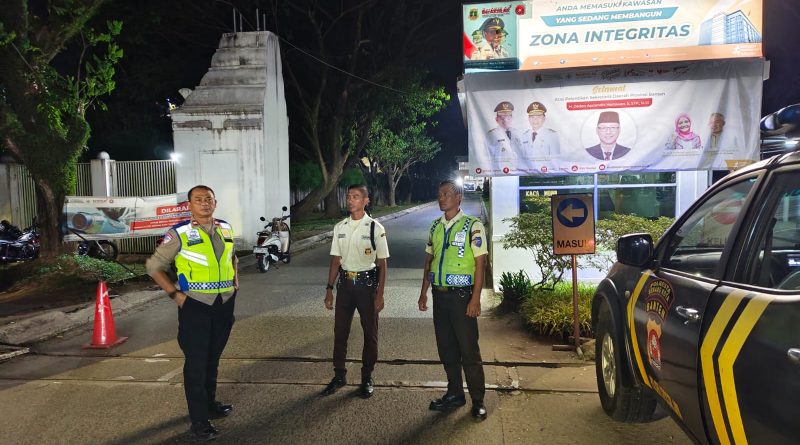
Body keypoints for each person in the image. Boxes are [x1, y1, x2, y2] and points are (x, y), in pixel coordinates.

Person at [146, 185, 238, 440]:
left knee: (213, 358)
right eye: (198, 199)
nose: (205, 203)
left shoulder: (226, 228)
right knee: (196, 363)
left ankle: (210, 404)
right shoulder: (180, 233)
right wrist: (175, 295)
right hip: (195, 305)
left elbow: (232, 258)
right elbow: (154, 267)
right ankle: (199, 421)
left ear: (215, 203)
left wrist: (236, 282)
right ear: (189, 205)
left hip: (224, 303)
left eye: (209, 199)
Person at [418, 180, 489, 420]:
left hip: (461, 297)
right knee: (446, 348)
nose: (442, 198)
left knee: (468, 350)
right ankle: (455, 393)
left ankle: (478, 400)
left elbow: (481, 263)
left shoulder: (472, 225)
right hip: (439, 296)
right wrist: (423, 291)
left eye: (446, 194)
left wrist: (475, 298)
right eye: (439, 194)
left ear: (459, 198)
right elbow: (429, 261)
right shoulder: (435, 226)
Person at [322, 184, 389, 399]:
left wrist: (380, 294)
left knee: (370, 334)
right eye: (349, 196)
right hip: (345, 287)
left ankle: (367, 376)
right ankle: (339, 375)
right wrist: (329, 288)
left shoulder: (375, 228)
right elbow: (335, 259)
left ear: (366, 201)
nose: (350, 200)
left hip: (366, 287)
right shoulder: (340, 227)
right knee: (340, 332)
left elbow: (382, 264)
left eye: (356, 196)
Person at [485, 101, 519, 166]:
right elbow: (487, 155)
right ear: (496, 119)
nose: (505, 120)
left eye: (508, 117)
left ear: (511, 118)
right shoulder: (491, 135)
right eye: (502, 118)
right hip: (499, 169)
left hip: (517, 168)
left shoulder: (517, 132)